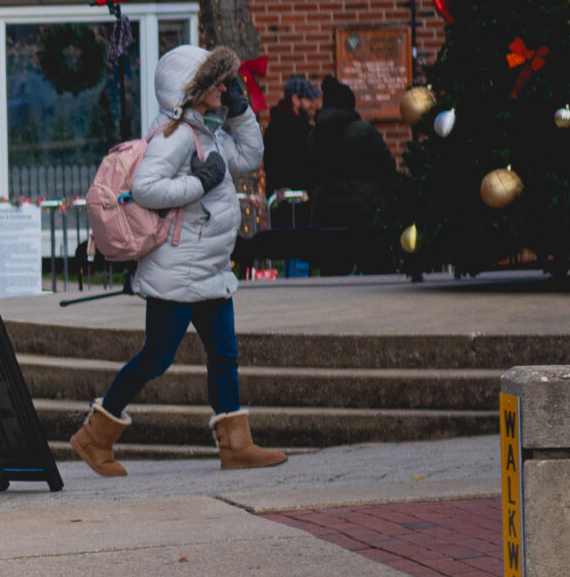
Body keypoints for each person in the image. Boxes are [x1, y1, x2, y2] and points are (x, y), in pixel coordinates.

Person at [68, 43, 284, 476]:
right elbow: (147, 188)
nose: (225, 87)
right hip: (177, 269)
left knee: (224, 353)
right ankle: (94, 437)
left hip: (207, 267)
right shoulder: (177, 135)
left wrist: (240, 113)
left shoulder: (205, 129)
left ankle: (236, 446)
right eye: (217, 82)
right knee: (156, 357)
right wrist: (199, 184)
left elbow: (248, 158)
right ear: (191, 91)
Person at [305, 77, 397, 268]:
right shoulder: (364, 130)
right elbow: (387, 167)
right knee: (378, 274)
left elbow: (308, 174)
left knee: (333, 279)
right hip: (368, 215)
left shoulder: (315, 135)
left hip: (327, 214)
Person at [263, 75, 321, 218]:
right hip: (298, 209)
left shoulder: (275, 125)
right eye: (309, 100)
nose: (314, 105)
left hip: (282, 207)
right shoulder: (300, 131)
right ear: (295, 99)